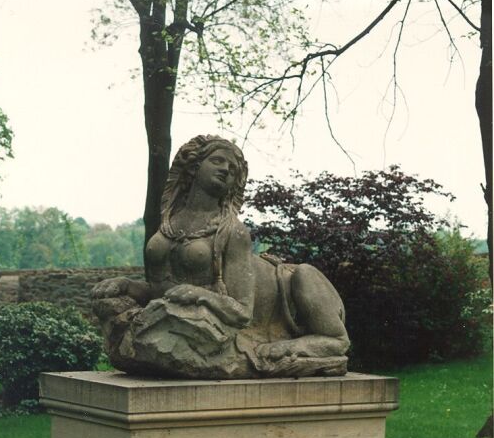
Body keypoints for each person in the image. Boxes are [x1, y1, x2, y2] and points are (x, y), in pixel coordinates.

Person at [92, 135, 349, 378]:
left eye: (233, 169)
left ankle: (329, 340)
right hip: (186, 317)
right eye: (217, 161)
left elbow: (241, 311)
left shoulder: (233, 232)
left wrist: (201, 295)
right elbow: (163, 293)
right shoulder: (169, 222)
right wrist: (127, 286)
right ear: (194, 167)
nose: (226, 169)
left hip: (278, 304)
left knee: (304, 274)